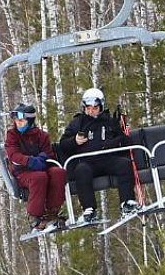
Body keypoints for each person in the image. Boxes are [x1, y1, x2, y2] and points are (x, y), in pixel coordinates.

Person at [56, 88, 135, 222]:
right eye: (88, 108)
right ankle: (89, 209)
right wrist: (74, 141)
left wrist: (119, 131)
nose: (91, 111)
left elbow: (126, 145)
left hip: (107, 159)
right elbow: (63, 145)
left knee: (124, 164)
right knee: (81, 170)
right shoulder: (78, 122)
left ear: (101, 107)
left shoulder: (109, 121)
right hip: (87, 162)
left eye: (95, 107)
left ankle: (127, 203)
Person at [5, 103, 67, 233]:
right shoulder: (12, 135)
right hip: (22, 171)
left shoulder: (41, 135)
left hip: (41, 168)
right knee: (39, 177)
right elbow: (13, 154)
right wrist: (29, 161)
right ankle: (34, 217)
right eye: (17, 121)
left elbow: (49, 153)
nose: (18, 124)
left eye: (21, 121)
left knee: (58, 173)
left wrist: (42, 158)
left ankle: (52, 211)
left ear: (30, 121)